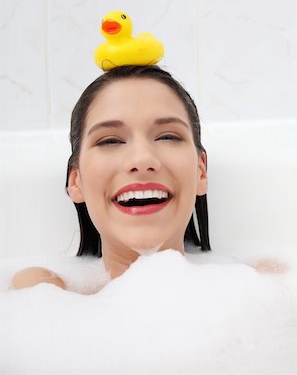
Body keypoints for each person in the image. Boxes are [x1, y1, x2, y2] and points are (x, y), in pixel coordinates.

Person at [11, 65, 210, 290]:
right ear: (76, 181)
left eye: (167, 136)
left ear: (200, 172)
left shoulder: (253, 290)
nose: (142, 160)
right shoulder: (39, 292)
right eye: (110, 141)